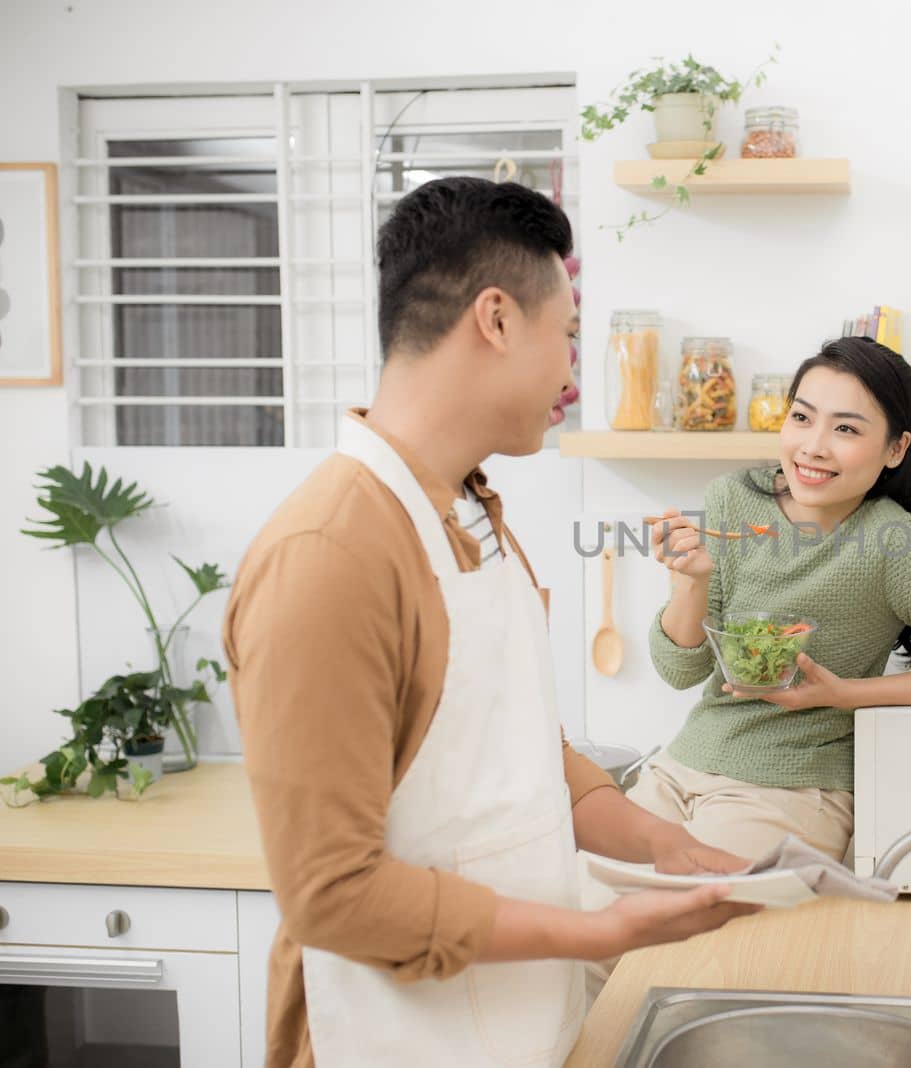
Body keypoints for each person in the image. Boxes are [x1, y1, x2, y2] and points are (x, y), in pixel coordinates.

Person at [225, 177, 756, 1068]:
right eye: (570, 338)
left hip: (513, 1028)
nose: (572, 375)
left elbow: (522, 750)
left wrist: (663, 843)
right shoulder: (328, 553)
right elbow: (333, 894)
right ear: (499, 319)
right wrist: (599, 930)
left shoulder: (472, 511)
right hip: (391, 1040)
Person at [633, 337, 911, 861]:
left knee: (685, 909)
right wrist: (692, 582)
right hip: (682, 765)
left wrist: (843, 693)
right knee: (592, 889)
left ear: (895, 449)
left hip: (796, 789)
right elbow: (681, 671)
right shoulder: (733, 497)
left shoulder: (891, 541)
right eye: (801, 417)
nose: (813, 446)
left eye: (845, 429)